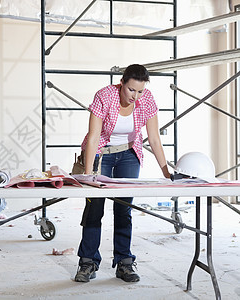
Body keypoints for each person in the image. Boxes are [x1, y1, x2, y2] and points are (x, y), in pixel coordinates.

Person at [74, 64, 171, 283]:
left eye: (140, 91)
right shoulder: (104, 96)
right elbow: (93, 137)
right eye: (131, 90)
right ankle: (88, 262)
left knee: (124, 207)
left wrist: (166, 171)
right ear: (121, 84)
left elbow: (154, 138)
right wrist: (89, 175)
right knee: (94, 207)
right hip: (102, 154)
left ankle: (124, 262)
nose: (135, 96)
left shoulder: (146, 100)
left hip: (129, 154)